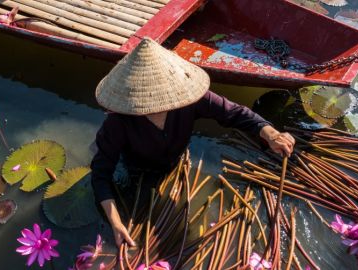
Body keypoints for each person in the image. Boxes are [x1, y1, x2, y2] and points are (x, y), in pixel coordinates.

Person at [90, 38, 295, 248]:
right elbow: (100, 175)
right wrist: (116, 223)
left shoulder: (188, 99)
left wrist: (270, 133)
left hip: (175, 160)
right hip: (137, 169)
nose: (157, 105)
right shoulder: (118, 122)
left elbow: (233, 112)